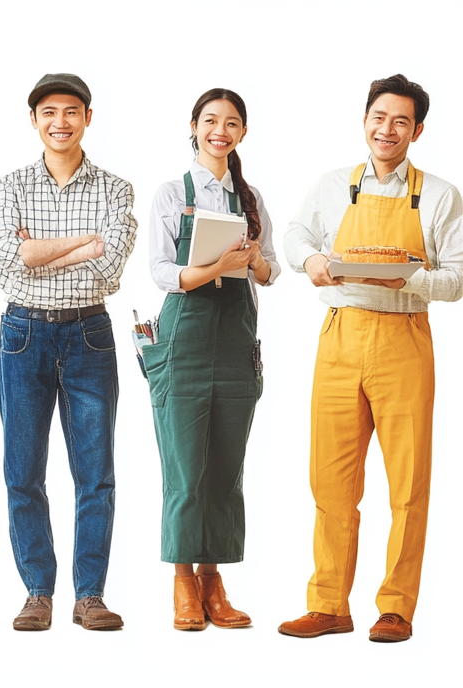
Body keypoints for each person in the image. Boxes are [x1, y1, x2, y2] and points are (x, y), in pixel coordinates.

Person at [278, 74, 462, 644]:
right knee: (330, 481)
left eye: (401, 121)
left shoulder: (440, 195)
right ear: (365, 120)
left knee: (407, 484)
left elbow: (455, 281)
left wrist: (405, 278)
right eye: (379, 117)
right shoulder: (333, 184)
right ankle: (329, 603)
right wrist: (310, 262)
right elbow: (294, 235)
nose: (388, 130)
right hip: (338, 336)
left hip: (404, 337)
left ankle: (396, 608)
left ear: (418, 130)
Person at [0, 73, 137, 632]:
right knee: (22, 470)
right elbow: (10, 258)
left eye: (71, 111)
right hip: (22, 335)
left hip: (89, 336)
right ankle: (37, 591)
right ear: (34, 120)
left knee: (94, 473)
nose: (60, 122)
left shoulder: (116, 188)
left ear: (88, 118)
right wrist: (81, 242)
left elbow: (109, 264)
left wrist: (40, 250)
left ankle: (90, 595)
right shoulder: (11, 186)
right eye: (49, 112)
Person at [142, 89, 278, 632]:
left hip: (236, 338)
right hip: (185, 339)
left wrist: (252, 264)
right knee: (184, 468)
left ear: (242, 133)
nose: (220, 130)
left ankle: (213, 580)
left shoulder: (249, 198)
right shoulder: (172, 194)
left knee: (225, 465)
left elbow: (271, 274)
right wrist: (217, 264)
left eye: (232, 123)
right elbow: (161, 272)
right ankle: (182, 580)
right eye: (211, 121)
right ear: (194, 127)